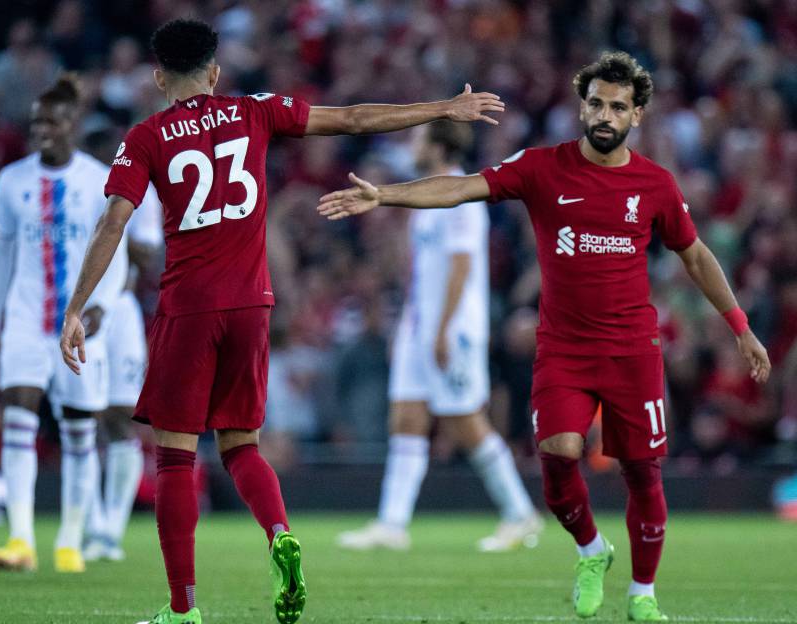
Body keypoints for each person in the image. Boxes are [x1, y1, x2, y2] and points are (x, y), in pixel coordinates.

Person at [57, 18, 504, 624]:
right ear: (215, 72)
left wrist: (76, 306)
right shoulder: (255, 111)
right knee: (242, 446)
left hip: (188, 307)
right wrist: (443, 107)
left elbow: (114, 221)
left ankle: (183, 609)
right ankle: (279, 534)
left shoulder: (145, 137)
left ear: (159, 78)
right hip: (252, 305)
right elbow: (353, 118)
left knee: (174, 458)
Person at [317, 51, 772, 622]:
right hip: (564, 350)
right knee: (557, 459)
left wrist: (740, 327)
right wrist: (385, 194)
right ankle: (591, 550)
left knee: (641, 473)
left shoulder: (655, 184)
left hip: (633, 350)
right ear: (582, 107)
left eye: (619, 107)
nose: (605, 115)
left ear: (637, 115)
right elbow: (461, 189)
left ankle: (642, 593)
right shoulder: (541, 167)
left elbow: (696, 256)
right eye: (597, 104)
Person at [337, 121, 542, 554]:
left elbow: (462, 266)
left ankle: (520, 513)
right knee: (406, 419)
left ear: (439, 146)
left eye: (419, 139)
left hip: (453, 328)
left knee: (465, 422)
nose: (413, 146)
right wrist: (411, 325)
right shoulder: (427, 197)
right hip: (419, 326)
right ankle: (392, 524)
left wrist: (444, 328)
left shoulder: (461, 195)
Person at [0, 74, 128, 574]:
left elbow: (116, 248)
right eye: (36, 122)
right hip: (26, 318)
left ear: (73, 123)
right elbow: (0, 255)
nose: (41, 130)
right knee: (18, 414)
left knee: (80, 429)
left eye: (52, 121)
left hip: (80, 323)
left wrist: (102, 306)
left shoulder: (99, 180)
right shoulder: (11, 181)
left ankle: (69, 540)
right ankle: (20, 539)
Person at [83, 186, 164, 563]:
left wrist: (108, 227)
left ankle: (112, 530)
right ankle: (92, 524)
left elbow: (147, 253)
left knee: (121, 416)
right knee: (83, 417)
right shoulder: (79, 183)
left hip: (120, 308)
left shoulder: (140, 189)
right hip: (79, 304)